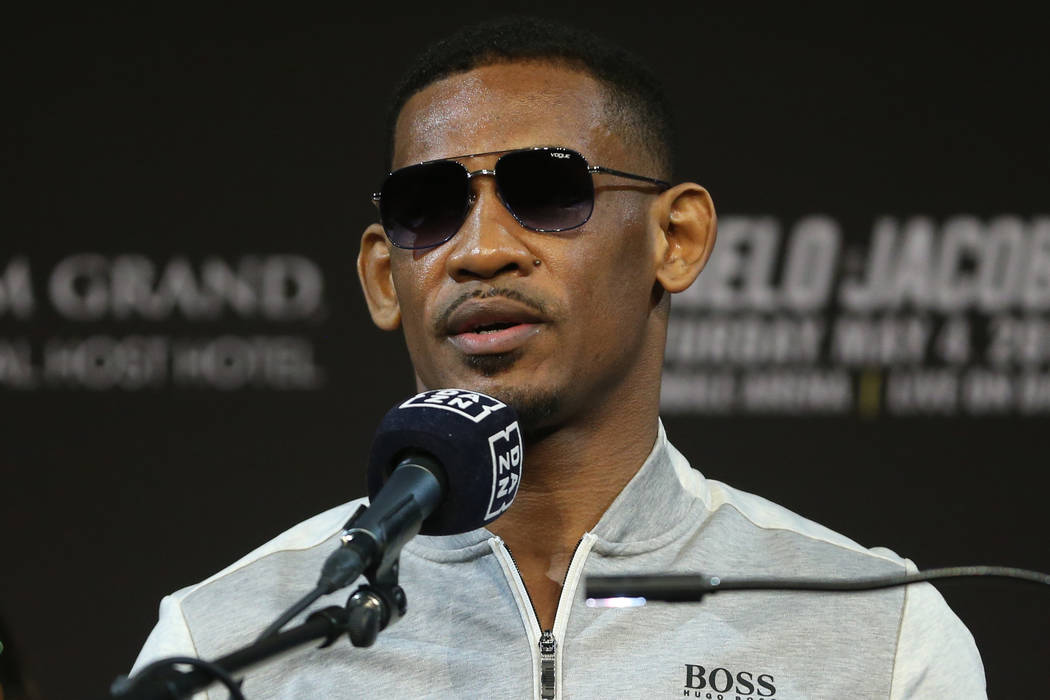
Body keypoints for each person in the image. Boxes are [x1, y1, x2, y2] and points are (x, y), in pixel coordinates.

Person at [131, 17, 985, 698]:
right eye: (429, 207)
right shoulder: (218, 646)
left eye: (546, 191)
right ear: (385, 278)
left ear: (675, 239)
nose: (481, 249)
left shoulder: (884, 637)